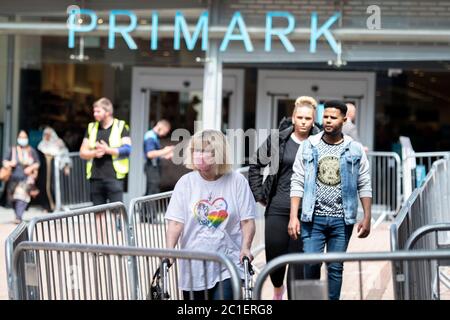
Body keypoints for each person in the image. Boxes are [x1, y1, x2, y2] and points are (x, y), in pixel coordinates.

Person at [289, 100, 372, 300]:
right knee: (310, 263)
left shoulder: (355, 149)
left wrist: (367, 216)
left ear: (344, 120)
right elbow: (297, 180)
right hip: (312, 218)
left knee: (335, 268)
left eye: (333, 117)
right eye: (325, 116)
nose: (327, 121)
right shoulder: (309, 146)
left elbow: (364, 183)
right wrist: (294, 216)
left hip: (341, 220)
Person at [165, 130, 256, 300]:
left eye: (205, 151)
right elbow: (176, 223)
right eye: (196, 151)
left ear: (219, 154)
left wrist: (246, 247)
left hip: (228, 262)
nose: (199, 155)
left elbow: (247, 221)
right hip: (194, 264)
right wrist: (169, 252)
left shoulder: (237, 182)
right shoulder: (186, 183)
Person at [248, 96, 320, 300]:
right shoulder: (278, 138)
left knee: (297, 263)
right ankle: (278, 288)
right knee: (275, 257)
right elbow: (255, 165)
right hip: (278, 205)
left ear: (313, 120)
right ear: (293, 118)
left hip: (306, 210)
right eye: (300, 117)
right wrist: (259, 193)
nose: (304, 121)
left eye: (308, 118)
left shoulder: (320, 141)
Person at [79, 97, 131, 206]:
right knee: (98, 212)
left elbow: (127, 149)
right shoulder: (91, 127)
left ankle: (115, 224)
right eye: (94, 111)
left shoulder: (120, 126)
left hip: (114, 177)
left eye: (98, 111)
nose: (95, 114)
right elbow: (82, 152)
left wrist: (107, 150)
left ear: (107, 112)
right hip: (95, 176)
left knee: (116, 212)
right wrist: (94, 153)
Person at [1, 130, 40, 223]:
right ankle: (17, 214)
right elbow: (4, 161)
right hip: (13, 177)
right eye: (21, 137)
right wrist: (10, 163)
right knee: (13, 199)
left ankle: (19, 216)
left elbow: (37, 163)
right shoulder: (13, 150)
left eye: (24, 137)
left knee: (21, 197)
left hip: (26, 178)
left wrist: (31, 168)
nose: (23, 139)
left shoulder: (31, 151)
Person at [37, 126, 71, 212]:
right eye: (45, 134)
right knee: (44, 187)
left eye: (48, 134)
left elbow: (65, 154)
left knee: (54, 187)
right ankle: (47, 206)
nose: (47, 136)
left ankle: (57, 205)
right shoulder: (42, 144)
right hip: (44, 171)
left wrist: (66, 165)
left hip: (56, 170)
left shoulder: (58, 143)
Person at [143, 120, 173, 195]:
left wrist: (165, 156)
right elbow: (150, 154)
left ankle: (146, 207)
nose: (164, 134)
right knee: (152, 192)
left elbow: (155, 154)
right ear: (160, 127)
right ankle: (148, 207)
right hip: (151, 167)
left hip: (153, 166)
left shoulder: (154, 136)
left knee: (152, 190)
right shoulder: (150, 136)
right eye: (165, 132)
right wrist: (165, 150)